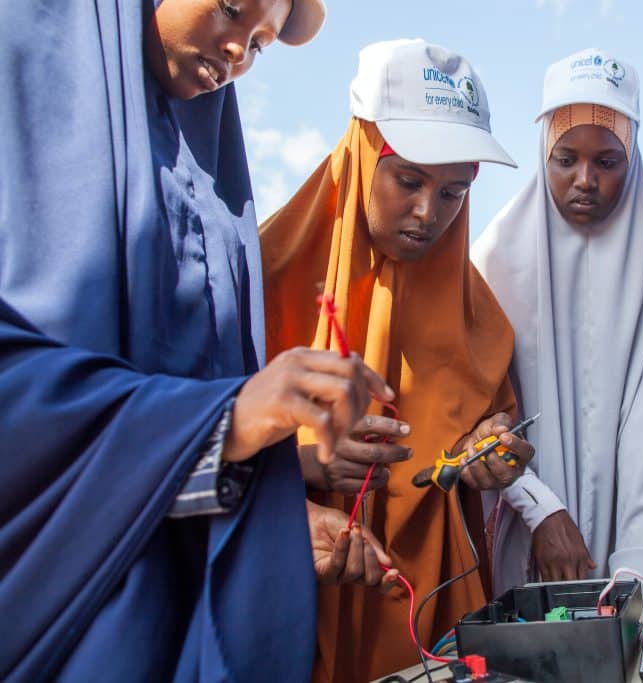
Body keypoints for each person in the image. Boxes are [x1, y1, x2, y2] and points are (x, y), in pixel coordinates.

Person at [0, 2, 397, 681]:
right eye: (232, 9)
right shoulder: (25, 77)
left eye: (262, 43)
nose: (239, 50)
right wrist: (230, 416)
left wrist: (275, 510)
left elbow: (187, 386)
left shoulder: (206, 175)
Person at [259, 39, 535, 681]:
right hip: (294, 600)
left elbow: (493, 433)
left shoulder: (483, 321)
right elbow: (193, 448)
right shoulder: (258, 277)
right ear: (360, 157)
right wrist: (299, 460)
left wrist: (490, 455)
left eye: (454, 193)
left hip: (436, 615)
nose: (427, 213)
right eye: (408, 180)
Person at [473, 49, 643, 599]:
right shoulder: (498, 251)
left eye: (608, 161)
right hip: (525, 514)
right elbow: (483, 415)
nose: (586, 180)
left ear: (631, 157)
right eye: (565, 159)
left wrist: (638, 555)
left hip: (629, 510)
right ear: (543, 155)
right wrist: (540, 513)